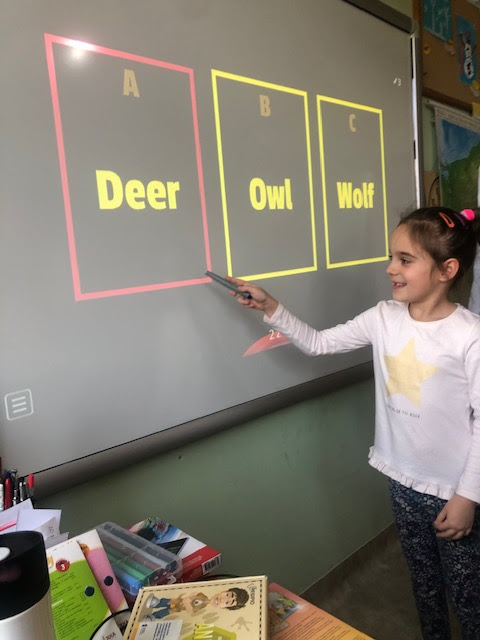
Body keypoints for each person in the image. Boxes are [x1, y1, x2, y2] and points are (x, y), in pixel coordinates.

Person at [227, 206, 480, 640]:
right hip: (402, 482)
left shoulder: (470, 335)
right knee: (424, 587)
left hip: (453, 491)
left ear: (447, 270)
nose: (391, 268)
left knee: (468, 597)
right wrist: (270, 306)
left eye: (405, 259)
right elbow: (319, 343)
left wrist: (467, 497)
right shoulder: (383, 317)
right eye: (391, 257)